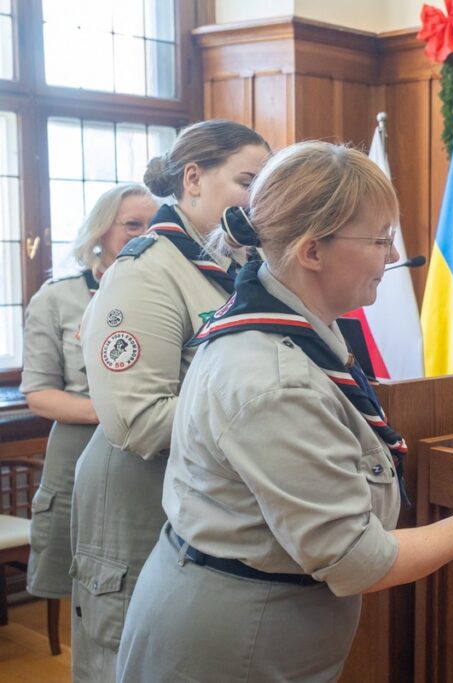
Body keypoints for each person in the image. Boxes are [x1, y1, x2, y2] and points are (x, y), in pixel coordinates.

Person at [115, 141, 453, 682]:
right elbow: (356, 560)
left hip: (262, 620)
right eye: (378, 240)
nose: (392, 257)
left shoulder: (293, 327)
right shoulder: (273, 378)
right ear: (312, 251)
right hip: (240, 642)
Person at [71, 120, 270, 681]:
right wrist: (261, 417)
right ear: (193, 179)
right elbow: (136, 422)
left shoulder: (230, 270)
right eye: (247, 182)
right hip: (135, 494)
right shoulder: (147, 269)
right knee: (124, 654)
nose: (258, 201)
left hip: (198, 494)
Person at [20, 184, 157, 602]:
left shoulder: (165, 295)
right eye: (132, 224)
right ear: (101, 232)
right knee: (81, 586)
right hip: (78, 449)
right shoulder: (57, 298)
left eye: (154, 226)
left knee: (144, 581)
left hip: (150, 454)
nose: (145, 234)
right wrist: (115, 411)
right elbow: (40, 395)